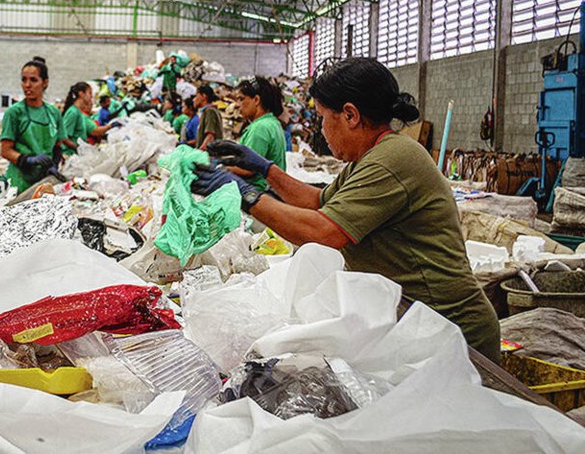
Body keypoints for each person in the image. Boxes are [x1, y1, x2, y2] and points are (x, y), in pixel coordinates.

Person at [192, 58, 500, 362]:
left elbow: (322, 231)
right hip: (416, 323)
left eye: (324, 117)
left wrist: (245, 195)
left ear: (350, 115)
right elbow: (318, 202)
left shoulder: (393, 159)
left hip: (452, 332)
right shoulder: (369, 157)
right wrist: (265, 168)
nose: (322, 130)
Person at [0, 57, 67, 191]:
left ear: (45, 83)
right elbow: (6, 150)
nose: (27, 85)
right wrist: (27, 160)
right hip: (20, 182)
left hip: (44, 181)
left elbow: (57, 146)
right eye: (24, 80)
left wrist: (53, 165)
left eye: (33, 80)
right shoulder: (14, 113)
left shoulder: (53, 113)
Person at [228, 76, 286, 192]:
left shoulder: (260, 128)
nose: (237, 105)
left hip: (259, 192)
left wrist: (221, 166)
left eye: (241, 99)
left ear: (256, 100)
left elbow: (248, 169)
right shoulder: (272, 123)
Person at [61, 82, 119, 156]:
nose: (91, 97)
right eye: (90, 93)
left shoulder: (78, 112)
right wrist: (79, 148)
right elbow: (64, 137)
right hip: (70, 155)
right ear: (81, 94)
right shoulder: (73, 112)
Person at [193, 84, 223, 151]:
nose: (194, 99)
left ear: (204, 96)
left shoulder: (210, 111)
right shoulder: (207, 111)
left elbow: (210, 135)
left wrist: (200, 151)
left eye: (196, 96)